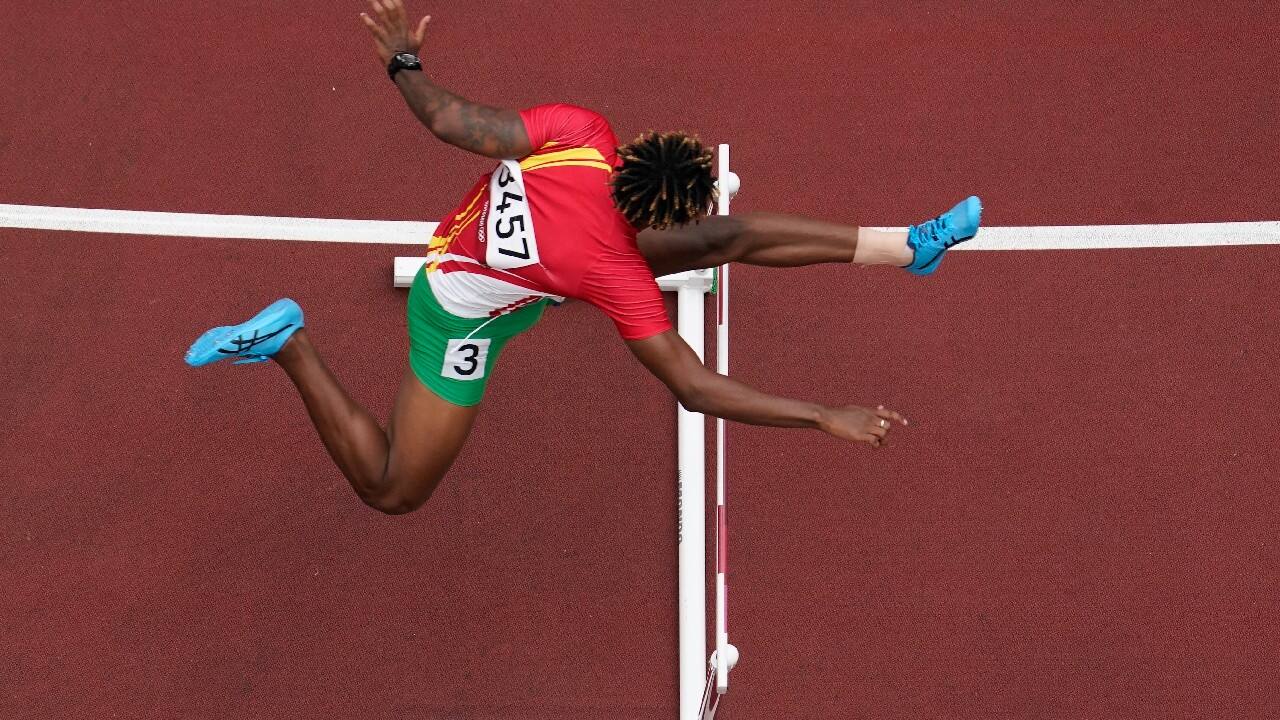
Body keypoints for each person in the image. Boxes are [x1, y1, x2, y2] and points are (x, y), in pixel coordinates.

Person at [186, 0, 982, 515]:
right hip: (454, 314)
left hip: (503, 244)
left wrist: (404, 62)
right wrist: (822, 415)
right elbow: (694, 389)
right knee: (393, 488)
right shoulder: (616, 275)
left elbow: (450, 120)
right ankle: (289, 342)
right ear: (663, 209)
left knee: (727, 240)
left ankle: (909, 247)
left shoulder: (581, 134)